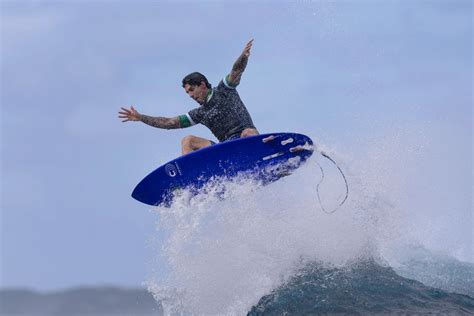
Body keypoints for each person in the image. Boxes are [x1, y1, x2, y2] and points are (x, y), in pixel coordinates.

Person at [118, 39, 259, 155]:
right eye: (187, 93)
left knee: (248, 132)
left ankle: (263, 151)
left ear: (202, 85)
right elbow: (169, 123)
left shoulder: (224, 90)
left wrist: (244, 56)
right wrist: (141, 117)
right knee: (188, 140)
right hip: (226, 150)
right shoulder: (200, 113)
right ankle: (190, 179)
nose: (191, 95)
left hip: (247, 142)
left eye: (192, 90)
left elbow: (236, 71)